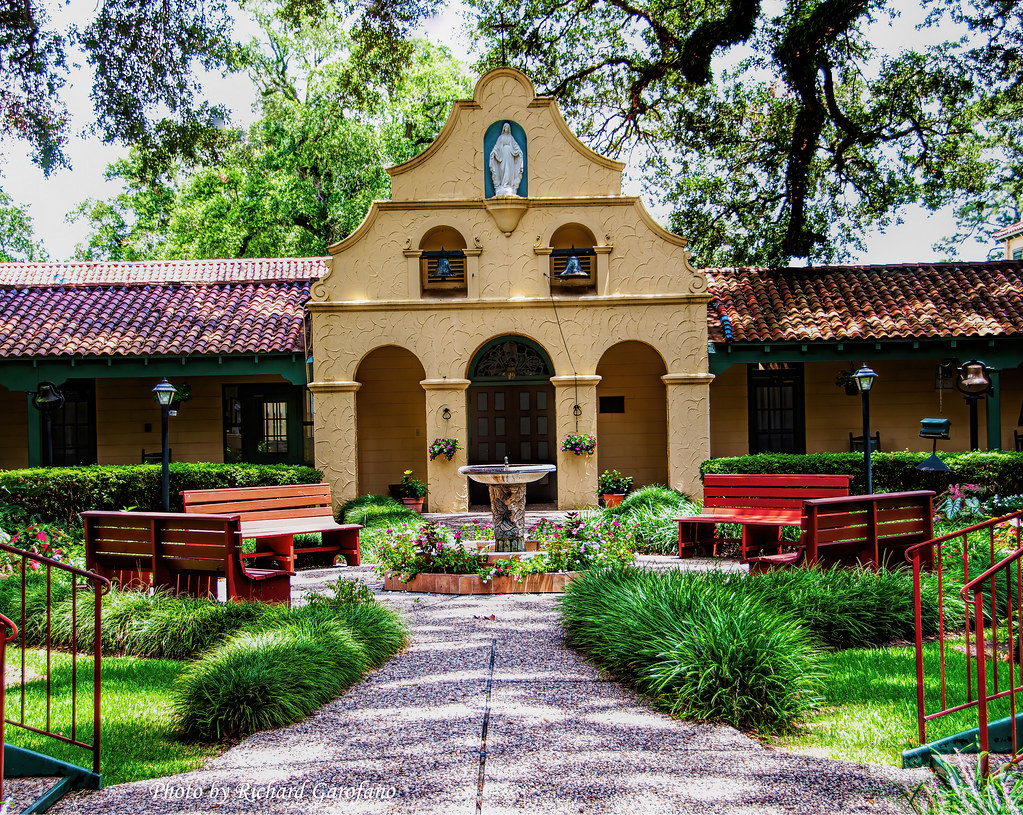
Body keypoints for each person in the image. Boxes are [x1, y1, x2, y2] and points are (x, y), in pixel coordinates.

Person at [489, 123, 524, 195]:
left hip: (510, 155)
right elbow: (497, 146)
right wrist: (494, 152)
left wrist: (519, 151)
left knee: (509, 169)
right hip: (503, 155)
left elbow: (515, 145)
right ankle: (503, 184)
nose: (506, 128)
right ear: (503, 128)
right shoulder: (501, 138)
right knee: (503, 169)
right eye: (505, 127)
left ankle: (509, 185)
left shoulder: (511, 138)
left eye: (508, 127)